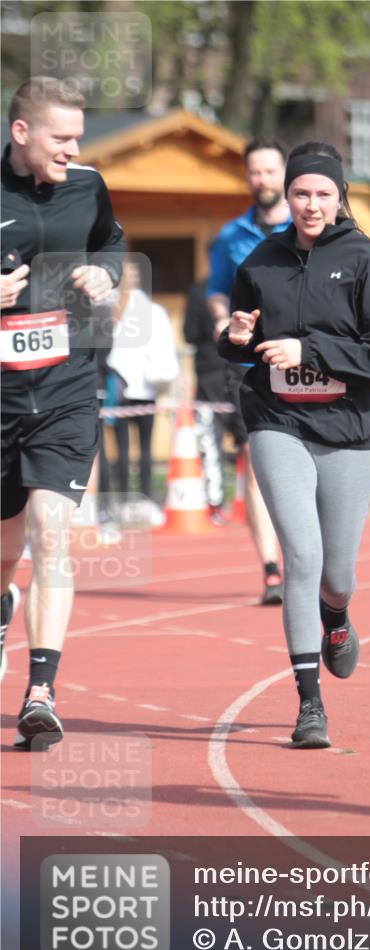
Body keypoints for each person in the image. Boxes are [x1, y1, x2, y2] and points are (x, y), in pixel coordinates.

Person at [218, 141, 370, 748]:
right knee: (300, 556)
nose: (310, 204)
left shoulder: (369, 263)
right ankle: (309, 704)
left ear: (339, 196)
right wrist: (235, 337)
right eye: (301, 192)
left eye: (322, 193)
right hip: (278, 419)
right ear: (287, 194)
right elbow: (238, 346)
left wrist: (313, 351)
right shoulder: (260, 262)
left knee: (337, 574)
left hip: (349, 429)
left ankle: (336, 616)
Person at [1, 77, 124, 748]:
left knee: (51, 529)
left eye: (78, 136)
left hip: (69, 387)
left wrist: (106, 273)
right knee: (5, 546)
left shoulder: (88, 186)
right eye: (61, 137)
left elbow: (111, 243)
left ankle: (40, 691)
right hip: (0, 396)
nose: (74, 149)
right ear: (21, 133)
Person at [208, 139, 291, 605]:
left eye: (269, 171)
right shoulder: (230, 235)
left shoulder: (308, 227)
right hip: (246, 366)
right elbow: (218, 290)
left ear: (285, 173)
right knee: (255, 465)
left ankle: (309, 558)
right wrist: (223, 319)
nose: (262, 179)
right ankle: (271, 568)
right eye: (254, 172)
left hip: (301, 363)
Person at [106, 260, 179, 526]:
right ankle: (141, 500)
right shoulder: (144, 310)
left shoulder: (135, 310)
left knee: (129, 450)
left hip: (129, 389)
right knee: (137, 450)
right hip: (137, 389)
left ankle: (131, 502)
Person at [182, 274, 228, 526]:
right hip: (246, 371)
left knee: (212, 440)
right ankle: (261, 505)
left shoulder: (198, 290)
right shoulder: (253, 279)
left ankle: (215, 504)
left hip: (210, 371)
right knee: (252, 441)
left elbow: (189, 333)